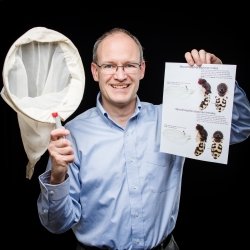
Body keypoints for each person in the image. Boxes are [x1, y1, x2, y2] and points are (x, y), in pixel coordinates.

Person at [37, 27, 250, 250]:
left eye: (129, 65)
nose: (120, 76)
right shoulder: (71, 135)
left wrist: (219, 79)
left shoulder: (173, 119)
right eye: (109, 65)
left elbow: (240, 127)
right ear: (95, 71)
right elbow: (57, 224)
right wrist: (57, 178)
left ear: (142, 69)